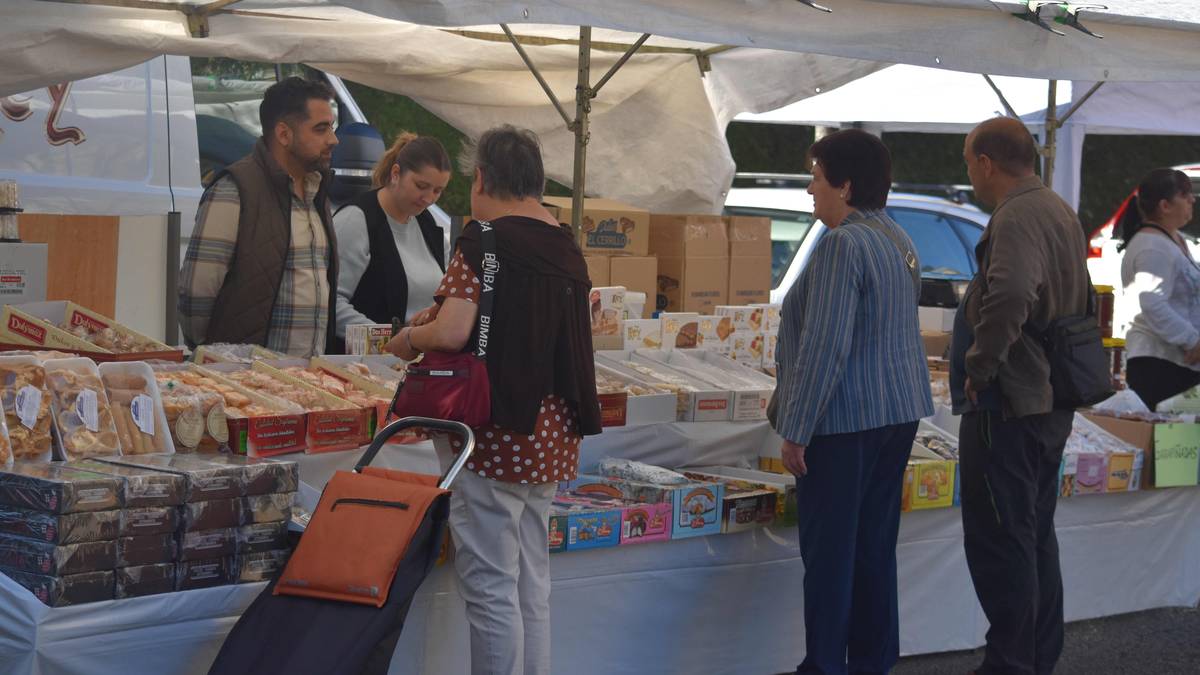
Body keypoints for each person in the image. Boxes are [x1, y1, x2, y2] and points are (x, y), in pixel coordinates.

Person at [385, 125, 602, 675]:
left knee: (489, 586)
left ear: (481, 178)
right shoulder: (566, 246)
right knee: (532, 582)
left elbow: (455, 331)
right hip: (553, 434)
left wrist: (409, 339)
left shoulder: (484, 240)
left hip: (493, 432)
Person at [772, 128, 933, 675]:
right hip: (895, 412)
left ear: (843, 185)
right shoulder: (897, 238)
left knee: (831, 555)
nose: (811, 191)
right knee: (872, 548)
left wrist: (796, 429)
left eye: (816, 179)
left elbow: (825, 345)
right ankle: (871, 661)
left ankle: (823, 665)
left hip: (843, 422)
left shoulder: (844, 245)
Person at [950, 117, 1089, 675]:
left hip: (1009, 400)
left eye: (968, 162)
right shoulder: (1055, 207)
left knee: (1002, 538)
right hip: (1045, 397)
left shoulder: (1017, 215)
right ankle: (1033, 656)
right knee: (1032, 536)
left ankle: (1010, 662)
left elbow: (1010, 291)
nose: (970, 174)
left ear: (986, 163)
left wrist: (981, 365)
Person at [179, 76, 339, 356]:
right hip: (248, 380)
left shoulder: (317, 190)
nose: (333, 139)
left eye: (332, 128)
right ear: (283, 134)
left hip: (305, 382)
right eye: (321, 129)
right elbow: (196, 294)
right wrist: (222, 358)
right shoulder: (236, 189)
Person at [331, 132, 452, 353]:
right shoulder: (356, 219)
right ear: (396, 173)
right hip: (360, 365)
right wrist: (386, 344)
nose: (429, 198)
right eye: (421, 185)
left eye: (437, 191)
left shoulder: (428, 224)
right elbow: (330, 304)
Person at [1118, 168, 1200, 410]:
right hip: (1159, 365)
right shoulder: (1152, 247)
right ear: (1165, 205)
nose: (1192, 200)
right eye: (1185, 195)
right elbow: (1152, 303)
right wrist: (1193, 341)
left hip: (1174, 364)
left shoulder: (1171, 240)